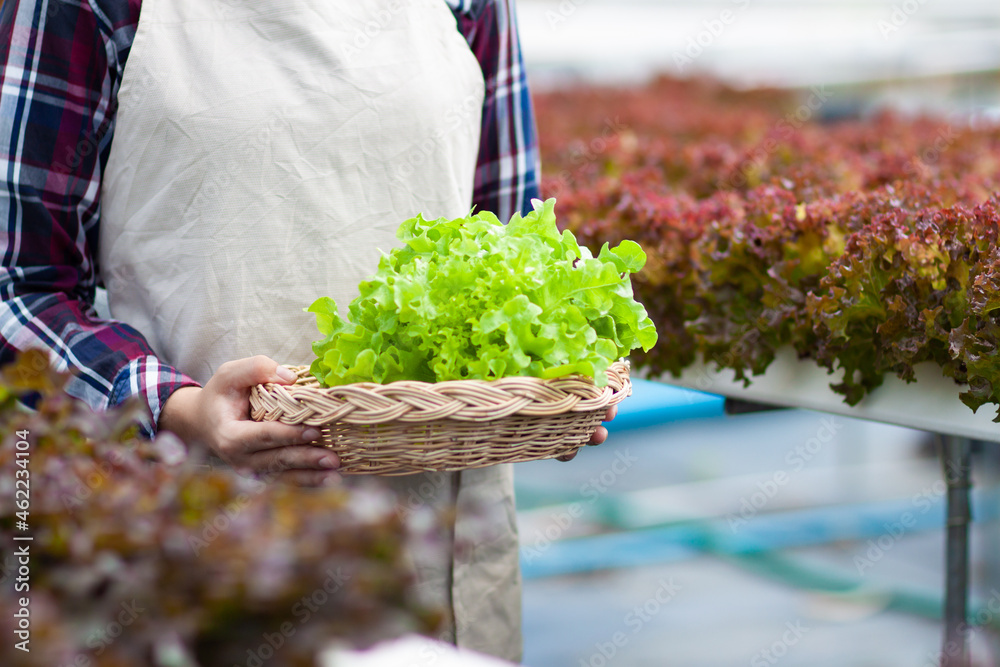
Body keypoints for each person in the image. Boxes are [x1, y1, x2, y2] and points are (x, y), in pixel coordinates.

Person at [1, 0, 614, 661]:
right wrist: (172, 402)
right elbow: (19, 284)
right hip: (208, 536)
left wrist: (554, 383)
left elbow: (514, 248)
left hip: (445, 544)